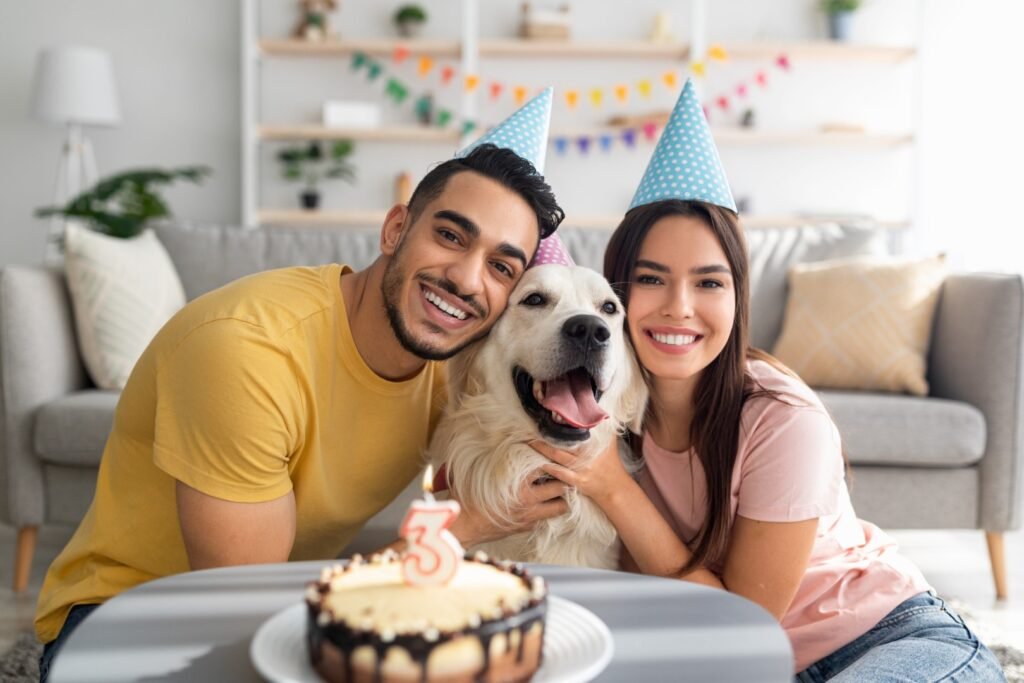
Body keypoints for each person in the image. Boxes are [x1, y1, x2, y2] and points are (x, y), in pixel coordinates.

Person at [35, 90, 571, 681]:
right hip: (129, 619)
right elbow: (245, 608)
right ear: (395, 228)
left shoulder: (460, 361)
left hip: (282, 608)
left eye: (501, 266)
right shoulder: (246, 351)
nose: (468, 279)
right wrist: (469, 524)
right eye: (450, 236)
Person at [534, 80, 1005, 681]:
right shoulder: (594, 408)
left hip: (882, 639)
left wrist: (614, 489)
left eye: (709, 283)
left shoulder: (783, 419)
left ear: (738, 300)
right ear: (615, 299)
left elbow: (739, 625)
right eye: (651, 280)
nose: (679, 307)